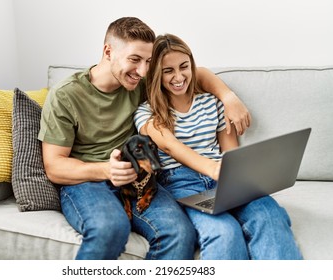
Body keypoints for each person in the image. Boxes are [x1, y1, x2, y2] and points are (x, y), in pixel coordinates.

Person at [38, 17, 251, 260]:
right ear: (108, 51)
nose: (142, 71)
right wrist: (107, 170)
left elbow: (195, 72)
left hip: (140, 181)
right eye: (135, 59)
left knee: (180, 233)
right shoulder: (66, 96)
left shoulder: (140, 81)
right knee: (111, 228)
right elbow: (54, 166)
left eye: (149, 61)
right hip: (88, 181)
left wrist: (228, 97)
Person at [134, 33, 303, 260]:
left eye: (184, 67)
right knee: (224, 231)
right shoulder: (147, 112)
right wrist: (214, 169)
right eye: (168, 71)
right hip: (182, 183)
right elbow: (170, 146)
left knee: (270, 215)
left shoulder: (211, 101)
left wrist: (236, 174)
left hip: (223, 177)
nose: (178, 76)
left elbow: (230, 151)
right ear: (156, 74)